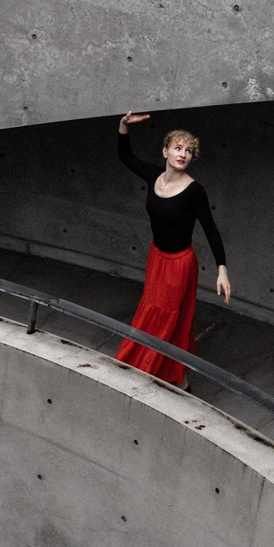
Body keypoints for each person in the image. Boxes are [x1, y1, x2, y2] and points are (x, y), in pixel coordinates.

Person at [112, 112, 230, 384]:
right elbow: (125, 156)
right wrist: (123, 126)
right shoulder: (153, 175)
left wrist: (222, 270)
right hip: (157, 257)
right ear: (165, 151)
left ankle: (149, 372)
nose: (183, 154)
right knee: (153, 310)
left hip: (180, 264)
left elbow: (211, 230)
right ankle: (178, 378)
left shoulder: (194, 191)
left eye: (188, 151)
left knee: (166, 317)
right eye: (178, 148)